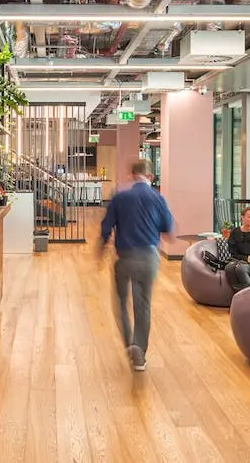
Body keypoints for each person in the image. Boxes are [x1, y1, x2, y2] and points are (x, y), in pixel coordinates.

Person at [97, 159, 175, 371]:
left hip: (124, 258)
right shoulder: (157, 198)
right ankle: (139, 351)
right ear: (151, 177)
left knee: (121, 302)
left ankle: (129, 344)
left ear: (132, 175)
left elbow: (106, 228)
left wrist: (100, 250)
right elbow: (168, 227)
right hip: (149, 258)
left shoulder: (120, 197)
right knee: (143, 305)